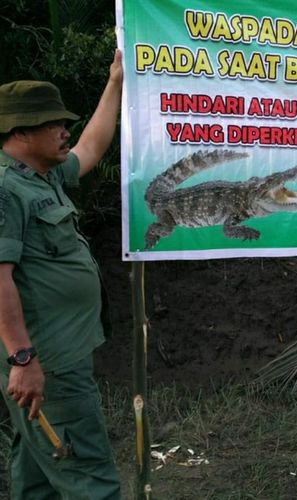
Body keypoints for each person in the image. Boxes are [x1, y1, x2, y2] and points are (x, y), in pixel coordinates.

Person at [0, 50, 123, 498]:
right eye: (53, 123)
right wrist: (23, 360)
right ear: (20, 132)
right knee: (90, 478)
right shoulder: (5, 189)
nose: (64, 130)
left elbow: (91, 145)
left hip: (55, 356)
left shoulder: (41, 176)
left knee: (38, 477)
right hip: (45, 362)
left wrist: (115, 81)